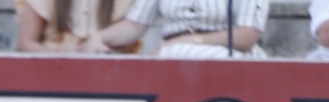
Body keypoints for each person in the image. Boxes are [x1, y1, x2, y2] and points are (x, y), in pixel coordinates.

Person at [83, 0, 269, 57]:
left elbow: (248, 34)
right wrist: (100, 37)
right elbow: (135, 24)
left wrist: (188, 41)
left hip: (228, 56)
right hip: (172, 56)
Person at [16, 0, 134, 51]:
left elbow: (130, 35)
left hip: (109, 73)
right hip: (52, 73)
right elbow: (26, 42)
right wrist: (61, 57)